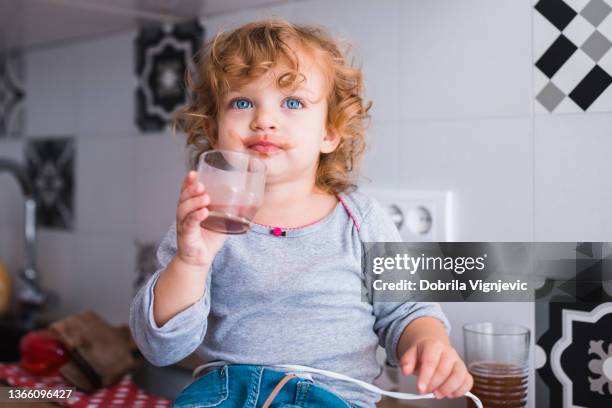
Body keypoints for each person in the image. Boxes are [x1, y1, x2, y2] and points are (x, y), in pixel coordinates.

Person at [129, 19, 473, 408]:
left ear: (329, 132)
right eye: (242, 102)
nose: (264, 119)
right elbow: (160, 348)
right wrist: (191, 261)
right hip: (226, 396)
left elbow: (405, 311)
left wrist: (429, 340)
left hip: (332, 399)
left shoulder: (361, 220)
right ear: (214, 130)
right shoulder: (205, 222)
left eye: (292, 102)